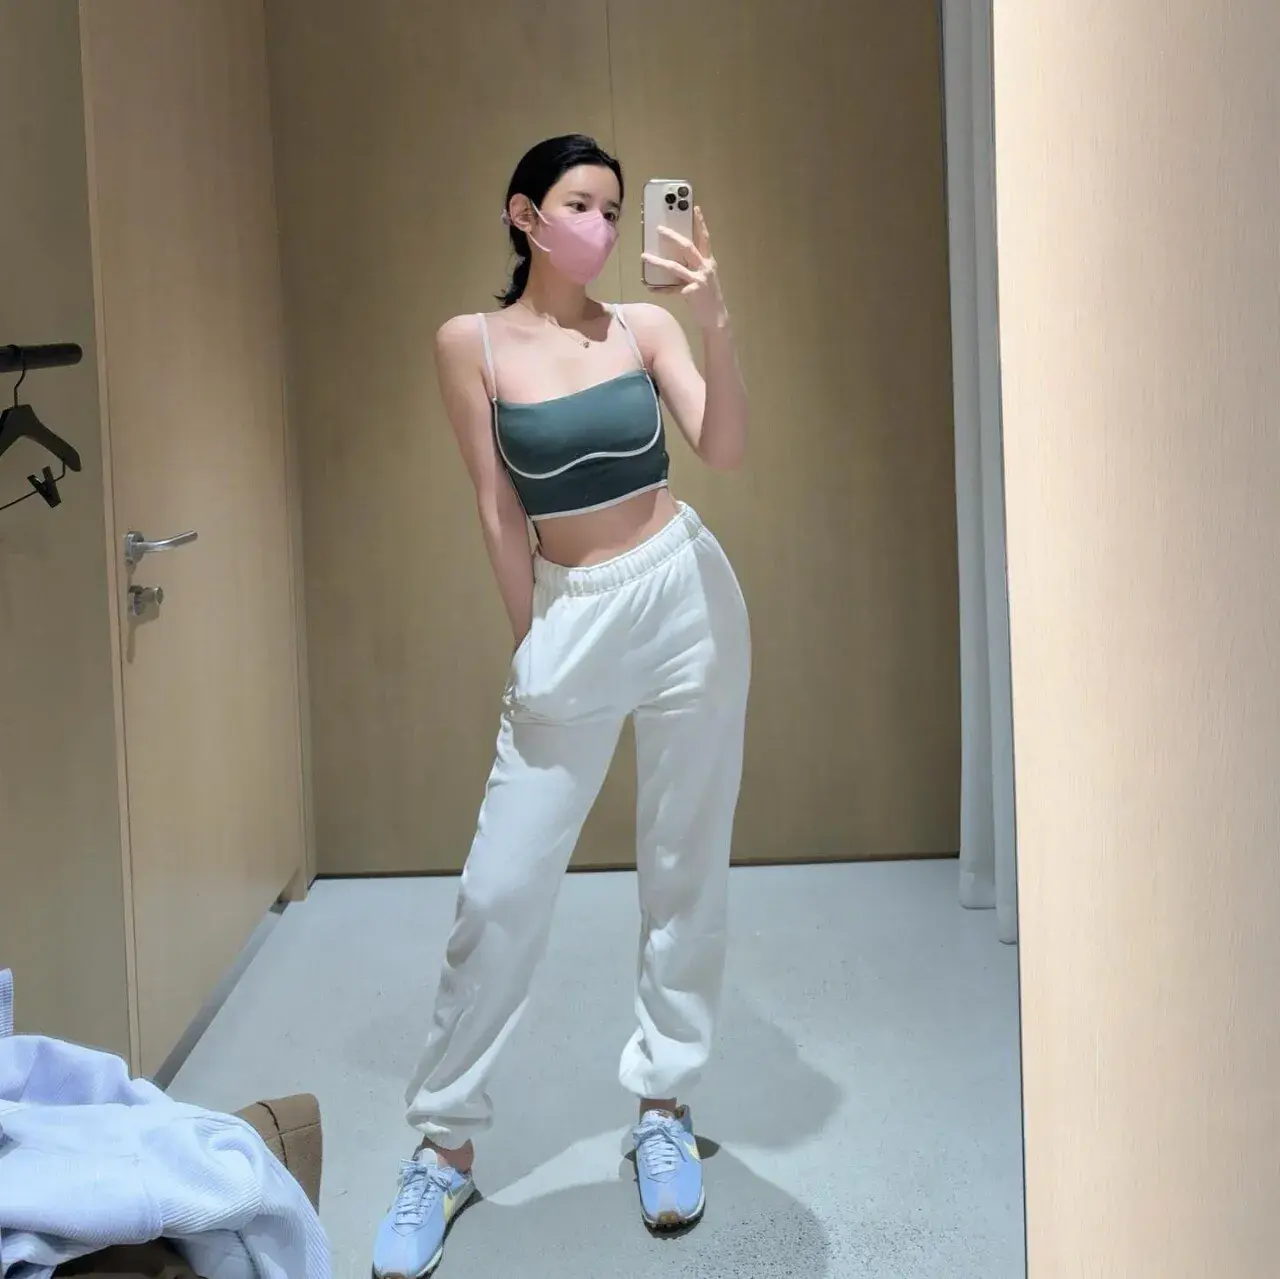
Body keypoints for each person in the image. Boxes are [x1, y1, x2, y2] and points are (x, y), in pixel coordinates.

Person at [372, 134, 751, 1279]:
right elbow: (496, 506)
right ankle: (444, 1147)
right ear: (524, 214)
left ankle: (663, 1107)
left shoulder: (643, 327)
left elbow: (722, 448)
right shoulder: (471, 343)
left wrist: (713, 312)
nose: (601, 225)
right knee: (500, 889)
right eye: (580, 203)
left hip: (684, 593)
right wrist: (529, 639)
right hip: (570, 610)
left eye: (615, 208)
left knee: (684, 863)